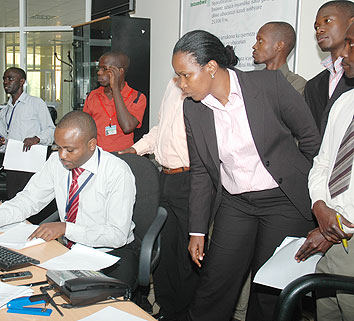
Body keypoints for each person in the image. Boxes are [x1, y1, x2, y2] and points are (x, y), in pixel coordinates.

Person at [173, 30, 320, 321]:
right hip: (236, 203)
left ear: (211, 68)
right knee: (214, 284)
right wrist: (197, 230)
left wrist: (302, 183)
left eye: (185, 75)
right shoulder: (194, 109)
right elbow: (202, 170)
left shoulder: (268, 85)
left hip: (284, 203)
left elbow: (312, 141)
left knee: (267, 292)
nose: (181, 84)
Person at [0, 111, 139, 287]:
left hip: (110, 254)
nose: (62, 155)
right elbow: (28, 200)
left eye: (70, 150)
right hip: (69, 250)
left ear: (91, 145)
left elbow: (117, 235)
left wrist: (66, 228)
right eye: (58, 147)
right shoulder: (56, 163)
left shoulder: (116, 172)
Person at [119, 79, 199, 321]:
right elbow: (160, 128)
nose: (180, 77)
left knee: (188, 252)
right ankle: (166, 308)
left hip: (191, 179)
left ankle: (185, 312)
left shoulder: (201, 91)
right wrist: (136, 149)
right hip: (165, 177)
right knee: (163, 249)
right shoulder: (172, 85)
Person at [295, 21, 354, 321]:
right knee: (327, 312)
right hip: (329, 228)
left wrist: (337, 227)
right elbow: (323, 162)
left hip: (344, 234)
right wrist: (319, 205)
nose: (343, 54)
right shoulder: (345, 102)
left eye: (352, 44)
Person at [0, 67, 55, 222]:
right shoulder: (4, 111)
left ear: (22, 81)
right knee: (14, 203)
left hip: (32, 164)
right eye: (4, 78)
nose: (6, 82)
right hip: (13, 164)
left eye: (10, 78)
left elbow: (51, 130)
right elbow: (2, 144)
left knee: (33, 206)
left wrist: (37, 138)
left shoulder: (36, 103)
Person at [304, 0, 354, 135]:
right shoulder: (312, 86)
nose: (320, 29)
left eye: (327, 21)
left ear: (351, 22)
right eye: (316, 27)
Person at [83, 52, 147, 152]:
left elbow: (127, 127)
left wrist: (115, 89)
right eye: (99, 68)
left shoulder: (137, 97)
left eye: (104, 69)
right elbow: (85, 129)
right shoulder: (92, 96)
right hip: (98, 156)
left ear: (120, 71)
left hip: (123, 156)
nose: (99, 72)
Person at [252, 21, 307, 95]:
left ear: (279, 46)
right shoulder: (252, 80)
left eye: (260, 41)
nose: (254, 46)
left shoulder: (297, 84)